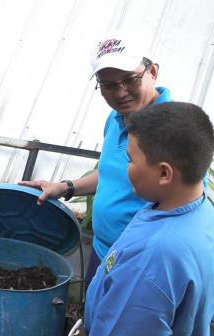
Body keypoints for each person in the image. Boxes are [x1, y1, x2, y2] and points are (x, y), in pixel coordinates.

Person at [18, 30, 173, 290]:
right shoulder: (115, 118)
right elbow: (111, 173)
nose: (121, 92)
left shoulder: (174, 129)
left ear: (152, 72)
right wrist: (66, 187)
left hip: (141, 264)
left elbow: (186, 205)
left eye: (130, 79)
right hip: (103, 250)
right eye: (108, 85)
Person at [84, 101, 214, 335]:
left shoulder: (150, 259)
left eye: (131, 160)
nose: (126, 168)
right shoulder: (199, 211)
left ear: (164, 173)